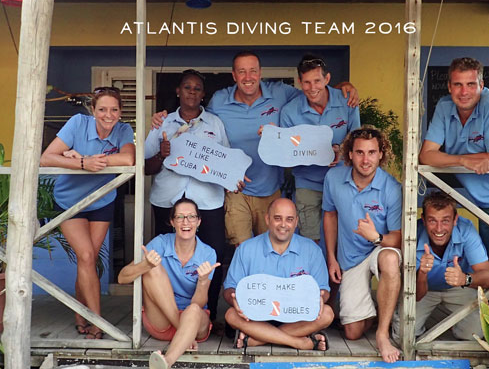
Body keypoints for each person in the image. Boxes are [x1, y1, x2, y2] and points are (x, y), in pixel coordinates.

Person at [151, 51, 358, 248]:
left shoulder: (281, 93)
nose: (248, 77)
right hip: (236, 190)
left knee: (274, 247)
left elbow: (313, 90)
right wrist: (164, 118)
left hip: (271, 190)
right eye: (241, 71)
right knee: (243, 248)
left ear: (260, 73)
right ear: (234, 75)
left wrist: (344, 87)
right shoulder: (220, 100)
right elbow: (197, 118)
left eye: (253, 71)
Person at [40, 86, 136, 339]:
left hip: (101, 200)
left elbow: (128, 159)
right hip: (70, 201)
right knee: (84, 255)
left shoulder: (124, 130)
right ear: (93, 110)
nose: (108, 115)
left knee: (90, 259)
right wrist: (81, 163)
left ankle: (80, 313)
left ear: (120, 112)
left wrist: (86, 157)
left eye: (114, 110)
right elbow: (46, 158)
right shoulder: (77, 123)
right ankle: (97, 321)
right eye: (102, 109)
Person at [144, 69, 229, 325]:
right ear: (178, 91)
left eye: (197, 88)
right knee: (164, 260)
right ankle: (169, 315)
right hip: (168, 202)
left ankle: (208, 316)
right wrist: (161, 154)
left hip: (208, 202)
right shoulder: (162, 123)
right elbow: (146, 167)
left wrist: (233, 178)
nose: (191, 92)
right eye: (187, 87)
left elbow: (224, 164)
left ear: (203, 95)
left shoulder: (215, 124)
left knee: (212, 260)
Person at [419, 57, 489, 280]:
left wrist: (449, 158)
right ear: (449, 86)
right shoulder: (444, 106)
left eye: (471, 84)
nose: (464, 91)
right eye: (458, 84)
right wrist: (463, 161)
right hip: (482, 202)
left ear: (481, 86)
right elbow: (426, 155)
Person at [322, 125, 402, 363]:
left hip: (380, 248)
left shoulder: (392, 187)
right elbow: (329, 214)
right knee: (353, 333)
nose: (366, 159)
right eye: (360, 152)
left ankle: (382, 333)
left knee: (389, 258)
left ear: (381, 154)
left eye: (372, 152)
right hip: (350, 257)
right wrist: (331, 257)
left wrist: (375, 237)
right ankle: (378, 310)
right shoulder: (334, 178)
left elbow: (397, 238)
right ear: (349, 154)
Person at [118, 198, 219, 369]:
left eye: (191, 217)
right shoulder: (161, 243)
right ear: (172, 222)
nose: (186, 222)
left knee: (194, 309)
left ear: (199, 221)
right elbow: (122, 278)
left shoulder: (208, 253)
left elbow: (199, 302)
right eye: (180, 217)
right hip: (163, 321)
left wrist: (203, 282)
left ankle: (166, 362)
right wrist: (145, 266)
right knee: (152, 267)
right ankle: (182, 336)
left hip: (194, 323)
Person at [223, 198, 333, 351]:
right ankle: (298, 342)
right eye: (277, 218)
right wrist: (234, 298)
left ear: (296, 222)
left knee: (327, 313)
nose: (283, 225)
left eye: (289, 219)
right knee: (230, 314)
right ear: (267, 219)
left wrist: (321, 297)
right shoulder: (246, 248)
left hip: (297, 318)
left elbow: (323, 289)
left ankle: (256, 340)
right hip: (256, 317)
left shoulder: (312, 250)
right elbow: (229, 289)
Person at [281, 54, 360, 243]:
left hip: (343, 180)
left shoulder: (346, 100)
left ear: (327, 79)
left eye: (317, 81)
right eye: (307, 82)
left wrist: (340, 150)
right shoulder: (290, 111)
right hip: (307, 182)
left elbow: (358, 139)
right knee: (310, 239)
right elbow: (285, 152)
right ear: (299, 82)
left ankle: (340, 273)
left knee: (345, 238)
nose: (312, 87)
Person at [394, 191, 489, 340]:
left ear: (455, 220)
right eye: (432, 221)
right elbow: (417, 294)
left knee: (475, 335)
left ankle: (454, 323)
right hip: (424, 291)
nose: (439, 229)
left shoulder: (465, 229)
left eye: (445, 220)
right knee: (404, 335)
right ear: (424, 220)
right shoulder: (412, 234)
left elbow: (488, 277)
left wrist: (464, 279)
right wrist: (422, 273)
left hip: (459, 288)